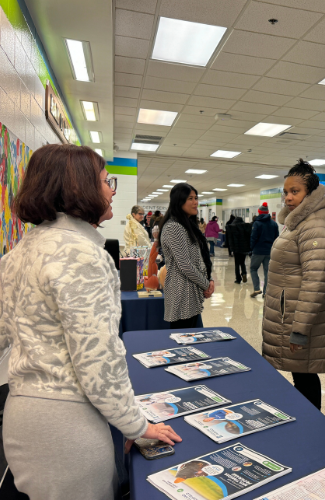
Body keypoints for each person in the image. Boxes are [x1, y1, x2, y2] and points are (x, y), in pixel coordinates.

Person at [0, 144, 181, 500]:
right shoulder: (81, 256)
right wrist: (137, 425)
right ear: (78, 187)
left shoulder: (18, 253)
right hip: (68, 428)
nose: (111, 190)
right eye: (104, 181)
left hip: (23, 414)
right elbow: (98, 363)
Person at [262, 159, 325, 411]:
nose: (288, 197)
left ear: (311, 193)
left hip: (301, 316)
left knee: (305, 376)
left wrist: (300, 330)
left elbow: (315, 281)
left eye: (295, 191)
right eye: (286, 192)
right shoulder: (298, 222)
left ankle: (311, 428)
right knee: (302, 374)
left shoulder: (316, 224)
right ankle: (307, 422)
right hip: (291, 310)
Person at [159, 183, 214, 329]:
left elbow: (200, 258)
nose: (195, 202)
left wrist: (210, 278)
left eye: (196, 198)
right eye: (190, 198)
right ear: (179, 200)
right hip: (181, 294)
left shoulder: (187, 225)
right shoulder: (173, 227)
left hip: (191, 292)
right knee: (182, 339)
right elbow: (185, 265)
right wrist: (206, 284)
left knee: (191, 338)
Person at [250, 202, 279, 298]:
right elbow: (276, 239)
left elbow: (253, 238)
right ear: (267, 212)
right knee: (267, 272)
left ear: (259, 212)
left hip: (258, 251)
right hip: (269, 251)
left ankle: (257, 288)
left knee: (253, 269)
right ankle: (266, 292)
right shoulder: (274, 224)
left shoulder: (257, 223)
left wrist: (251, 249)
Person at [226, 216, 252, 284]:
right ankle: (244, 273)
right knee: (242, 262)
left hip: (236, 248)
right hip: (244, 248)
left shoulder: (232, 227)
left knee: (237, 264)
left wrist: (231, 249)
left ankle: (238, 279)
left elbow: (230, 239)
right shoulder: (246, 227)